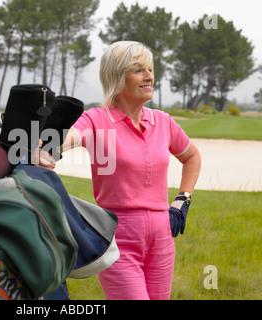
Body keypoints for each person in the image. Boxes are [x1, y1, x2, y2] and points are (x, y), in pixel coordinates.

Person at [34, 41, 201, 300]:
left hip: (162, 238)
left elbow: (192, 156)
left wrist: (183, 199)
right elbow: (73, 136)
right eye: (139, 70)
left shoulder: (163, 121)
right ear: (116, 76)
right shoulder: (97, 119)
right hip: (118, 238)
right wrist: (49, 149)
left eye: (150, 69)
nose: (150, 77)